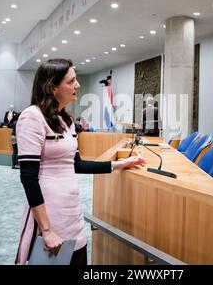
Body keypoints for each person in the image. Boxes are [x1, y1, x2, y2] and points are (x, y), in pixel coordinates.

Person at [15, 59, 146, 265]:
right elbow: (28, 178)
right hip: (49, 213)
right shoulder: (32, 117)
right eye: (71, 81)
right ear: (52, 87)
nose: (78, 85)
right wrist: (47, 230)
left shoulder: (66, 121)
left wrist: (117, 165)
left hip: (71, 212)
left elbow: (76, 164)